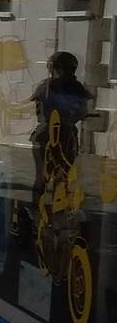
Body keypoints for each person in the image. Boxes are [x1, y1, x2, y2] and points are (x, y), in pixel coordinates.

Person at [30, 50, 94, 207]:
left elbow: (40, 111)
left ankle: (38, 209)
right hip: (63, 135)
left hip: (47, 135)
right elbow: (81, 112)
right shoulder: (73, 88)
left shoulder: (46, 86)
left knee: (44, 178)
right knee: (61, 177)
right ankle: (54, 210)